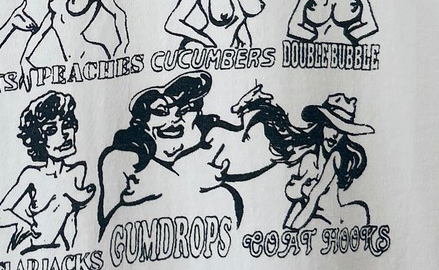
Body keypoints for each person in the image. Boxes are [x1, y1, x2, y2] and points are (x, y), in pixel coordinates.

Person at [96, 72, 294, 235]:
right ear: (143, 124)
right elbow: (107, 228)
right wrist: (188, 182)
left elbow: (264, 149)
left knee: (224, 195)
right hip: (140, 256)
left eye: (184, 110)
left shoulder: (208, 150)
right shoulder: (124, 159)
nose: (175, 117)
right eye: (161, 111)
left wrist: (256, 113)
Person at [0, 91, 94, 252]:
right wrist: (25, 224)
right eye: (51, 130)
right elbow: (0, 213)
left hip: (59, 253)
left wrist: (71, 250)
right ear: (38, 139)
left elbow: (71, 221)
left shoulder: (78, 171)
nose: (64, 134)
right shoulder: (32, 175)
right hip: (28, 249)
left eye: (67, 124)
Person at [281, 93, 374, 230]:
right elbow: (298, 203)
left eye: (340, 130)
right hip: (311, 218)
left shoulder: (336, 156)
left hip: (334, 221)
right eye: (330, 126)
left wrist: (293, 230)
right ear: (321, 126)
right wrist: (287, 229)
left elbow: (315, 195)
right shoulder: (309, 160)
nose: (335, 135)